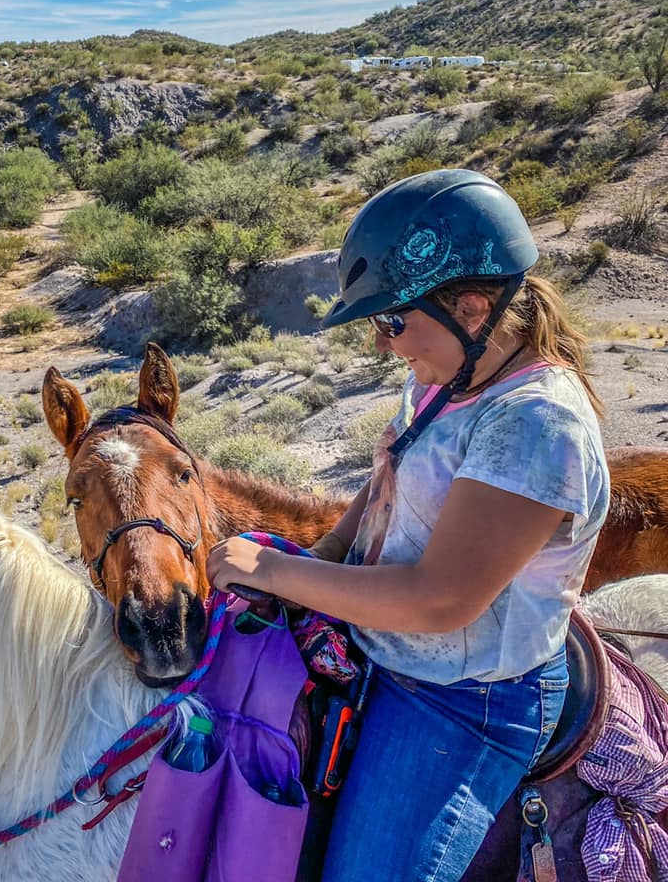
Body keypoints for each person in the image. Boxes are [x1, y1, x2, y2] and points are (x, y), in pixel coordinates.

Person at [207, 169, 611, 882]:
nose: (385, 343)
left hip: (460, 696)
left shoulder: (535, 425)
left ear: (474, 308)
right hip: (386, 649)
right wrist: (328, 552)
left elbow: (439, 600)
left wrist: (273, 570)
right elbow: (394, 468)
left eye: (394, 321)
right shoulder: (448, 375)